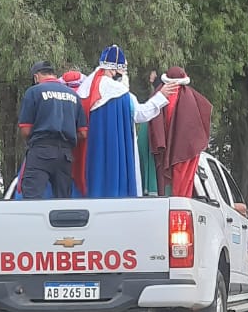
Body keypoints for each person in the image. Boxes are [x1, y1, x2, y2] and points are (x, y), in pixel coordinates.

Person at [77, 46, 177, 199]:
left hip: (90, 149)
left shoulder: (84, 89)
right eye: (123, 72)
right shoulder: (121, 93)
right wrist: (161, 96)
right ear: (114, 70)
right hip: (114, 151)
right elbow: (140, 113)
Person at [17, 61, 87, 199]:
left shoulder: (34, 92)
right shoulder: (73, 95)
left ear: (36, 77)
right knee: (63, 202)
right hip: (66, 156)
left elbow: (25, 130)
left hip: (40, 151)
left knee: (32, 199)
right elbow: (83, 133)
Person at [148, 65, 213, 198]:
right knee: (182, 183)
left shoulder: (161, 94)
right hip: (188, 150)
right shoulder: (189, 96)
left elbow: (155, 120)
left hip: (167, 152)